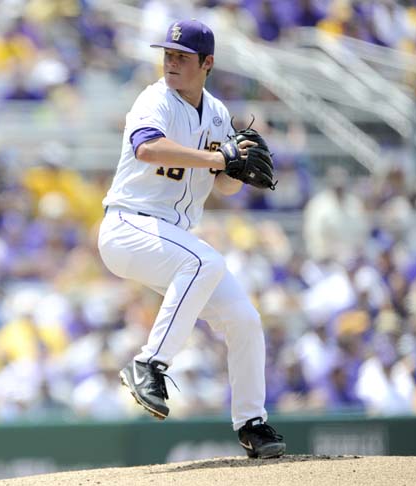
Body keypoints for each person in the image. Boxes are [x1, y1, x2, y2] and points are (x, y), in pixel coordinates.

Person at [97, 18, 285, 459]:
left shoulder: (217, 113)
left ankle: (252, 423)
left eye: (182, 56)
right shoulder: (154, 99)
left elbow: (224, 185)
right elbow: (147, 147)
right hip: (128, 225)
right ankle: (149, 364)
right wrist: (215, 156)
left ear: (207, 63)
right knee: (203, 261)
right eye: (168, 54)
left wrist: (235, 167)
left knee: (243, 318)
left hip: (169, 236)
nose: (171, 62)